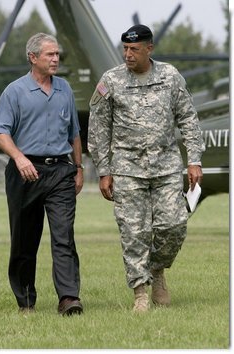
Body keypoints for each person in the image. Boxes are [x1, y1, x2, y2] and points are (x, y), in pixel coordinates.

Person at [88, 24, 205, 312]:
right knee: (133, 232)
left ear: (149, 48)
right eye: (125, 49)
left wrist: (194, 159)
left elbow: (188, 118)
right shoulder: (110, 80)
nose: (128, 55)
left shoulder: (170, 76)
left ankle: (157, 270)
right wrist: (104, 170)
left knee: (174, 226)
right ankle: (140, 292)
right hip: (127, 168)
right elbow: (98, 127)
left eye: (134, 50)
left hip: (166, 166)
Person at [0, 33, 84, 316]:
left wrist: (79, 169)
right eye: (50, 55)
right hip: (24, 172)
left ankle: (69, 298)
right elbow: (0, 133)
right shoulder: (14, 92)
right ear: (33, 58)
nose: (56, 59)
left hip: (60, 172)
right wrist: (19, 158)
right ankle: (26, 301)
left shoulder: (65, 88)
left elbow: (74, 134)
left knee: (64, 236)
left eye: (57, 54)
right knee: (24, 239)